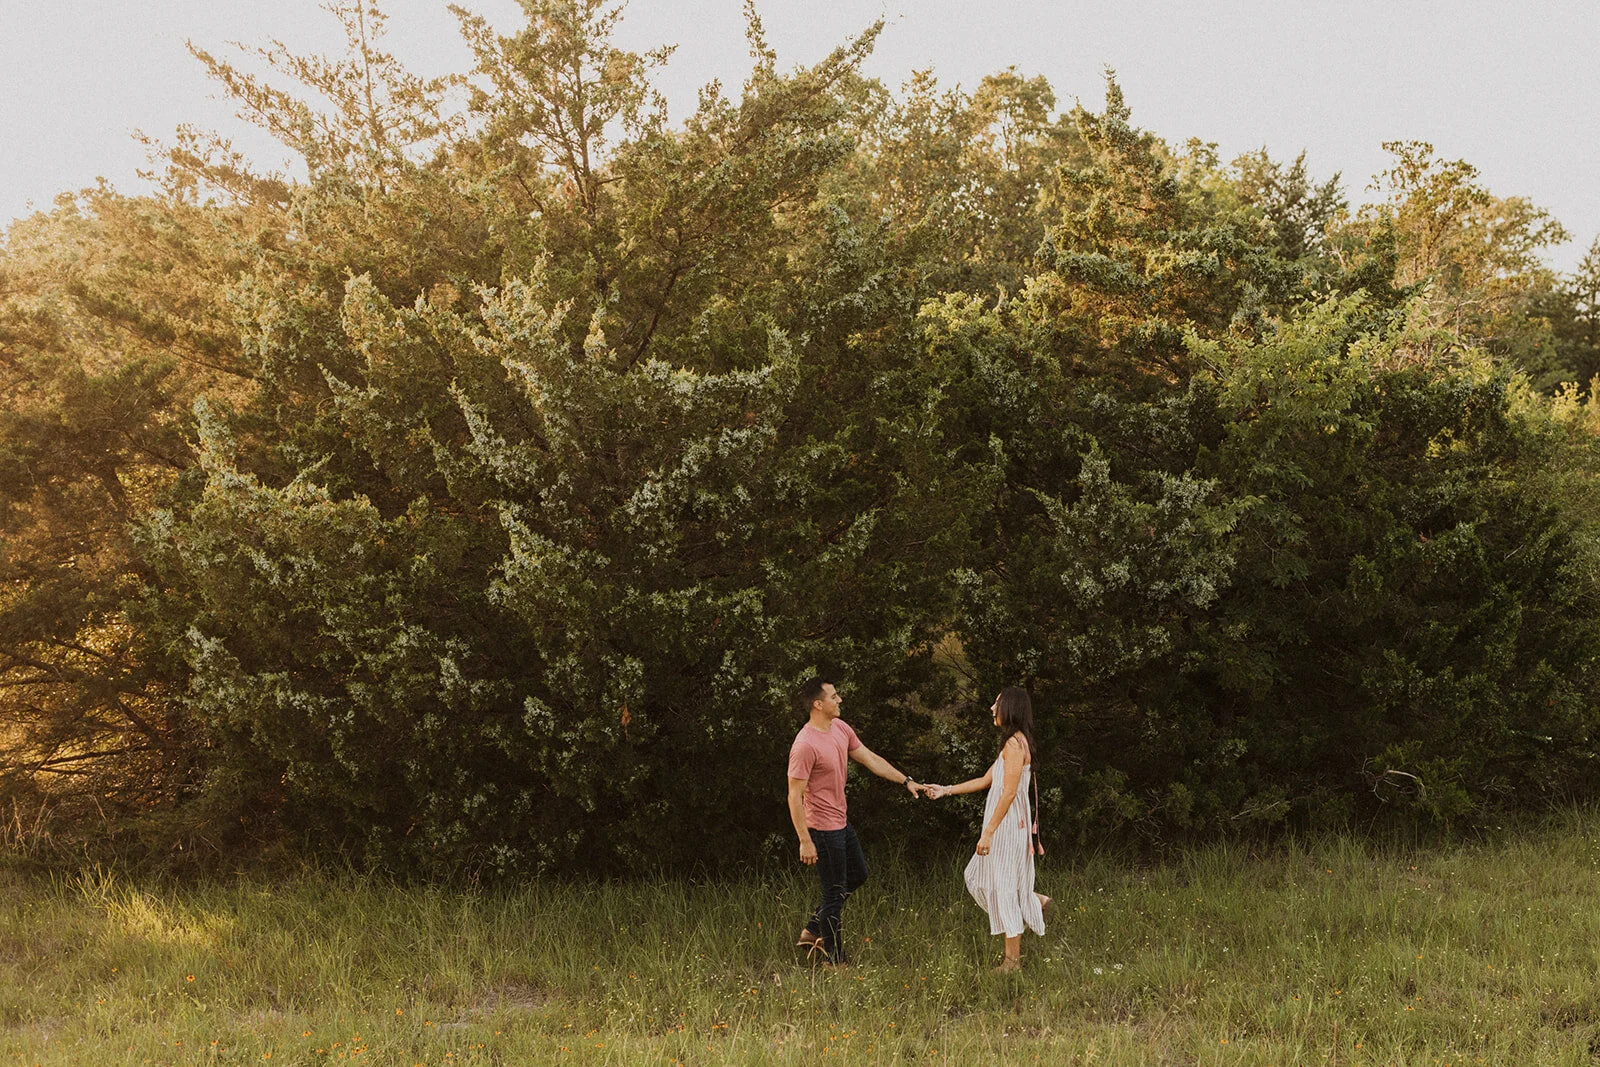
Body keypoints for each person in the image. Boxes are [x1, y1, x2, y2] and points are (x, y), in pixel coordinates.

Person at [786, 676, 923, 966]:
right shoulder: (804, 745)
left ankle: (812, 930)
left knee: (858, 874)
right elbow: (794, 795)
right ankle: (835, 961)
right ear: (817, 704)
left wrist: (906, 780)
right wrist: (805, 840)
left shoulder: (840, 728)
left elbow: (870, 759)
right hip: (821, 829)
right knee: (833, 893)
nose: (840, 700)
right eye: (833, 697)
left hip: (840, 822)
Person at [924, 686, 1050, 972]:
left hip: (1007, 829)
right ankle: (1032, 901)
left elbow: (1008, 793)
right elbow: (985, 781)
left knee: (1003, 888)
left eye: (997, 703)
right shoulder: (1011, 744)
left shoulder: (1015, 745)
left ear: (1010, 709)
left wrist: (989, 833)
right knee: (978, 878)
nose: (992, 709)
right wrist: (945, 790)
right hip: (1004, 827)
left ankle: (1012, 962)